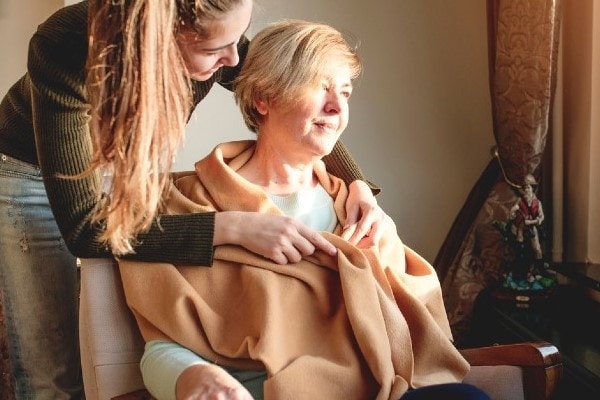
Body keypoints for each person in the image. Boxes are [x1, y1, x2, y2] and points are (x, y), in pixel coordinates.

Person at [0, 1, 385, 398]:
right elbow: (85, 230)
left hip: (115, 164)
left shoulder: (221, 39)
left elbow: (280, 91)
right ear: (163, 37)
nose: (234, 59)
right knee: (53, 370)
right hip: (28, 172)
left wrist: (354, 181)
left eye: (238, 39)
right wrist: (234, 227)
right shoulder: (65, 45)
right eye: (215, 50)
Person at [118, 20, 489, 400]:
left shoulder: (357, 210)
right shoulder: (193, 206)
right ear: (263, 98)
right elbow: (162, 345)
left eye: (345, 92)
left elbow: (416, 325)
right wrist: (194, 377)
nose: (337, 107)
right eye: (320, 86)